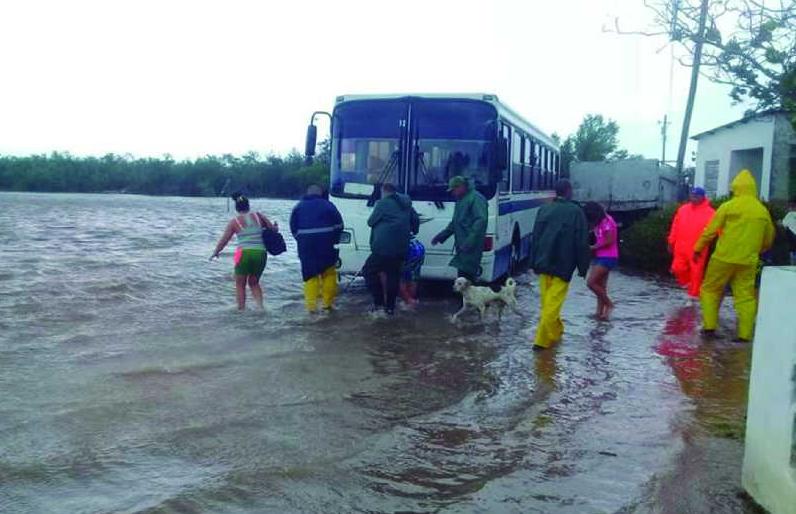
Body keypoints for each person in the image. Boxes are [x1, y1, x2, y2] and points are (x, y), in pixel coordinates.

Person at [694, 170, 776, 342]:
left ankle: (709, 328)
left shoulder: (728, 206)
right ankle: (744, 335)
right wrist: (758, 250)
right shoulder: (762, 211)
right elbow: (769, 238)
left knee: (710, 289)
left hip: (723, 258)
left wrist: (698, 248)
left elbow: (710, 231)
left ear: (736, 188)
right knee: (745, 296)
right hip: (748, 260)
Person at [529, 179, 590, 350]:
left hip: (543, 263)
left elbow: (535, 237)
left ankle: (557, 332)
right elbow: (581, 242)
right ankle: (540, 342)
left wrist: (532, 261)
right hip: (563, 266)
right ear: (569, 191)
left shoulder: (544, 209)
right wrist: (583, 267)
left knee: (548, 302)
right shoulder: (576, 212)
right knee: (552, 304)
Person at [211, 193, 278, 310]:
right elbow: (273, 230)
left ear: (236, 208)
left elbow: (224, 240)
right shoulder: (259, 216)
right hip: (260, 253)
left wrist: (216, 252)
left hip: (242, 254)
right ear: (248, 206)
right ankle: (260, 308)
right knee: (254, 283)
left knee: (240, 284)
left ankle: (241, 310)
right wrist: (276, 226)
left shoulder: (234, 222)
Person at [363, 183, 419, 316]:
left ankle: (379, 304)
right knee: (393, 275)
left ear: (384, 191)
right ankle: (390, 308)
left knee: (368, 271)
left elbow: (370, 222)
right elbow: (415, 221)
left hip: (383, 248)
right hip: (401, 247)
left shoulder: (383, 203)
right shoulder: (407, 204)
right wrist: (412, 231)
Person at [290, 184, 344, 314]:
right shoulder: (328, 205)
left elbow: (293, 228)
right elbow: (340, 225)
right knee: (329, 273)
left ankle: (311, 308)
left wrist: (301, 240)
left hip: (306, 245)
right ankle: (327, 305)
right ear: (321, 193)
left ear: (307, 193)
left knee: (310, 276)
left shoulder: (298, 206)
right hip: (326, 244)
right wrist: (334, 239)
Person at [431, 176, 488, 282]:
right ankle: (464, 298)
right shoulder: (461, 200)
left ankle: (468, 298)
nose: (452, 193)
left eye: (453, 190)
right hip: (463, 245)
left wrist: (469, 242)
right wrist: (441, 236)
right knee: (462, 277)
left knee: (468, 278)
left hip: (471, 246)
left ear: (461, 187)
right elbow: (455, 223)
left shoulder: (476, 199)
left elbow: (481, 221)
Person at [667, 187, 716, 299]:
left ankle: (693, 297)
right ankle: (688, 285)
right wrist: (671, 241)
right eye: (692, 195)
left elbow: (717, 229)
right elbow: (675, 226)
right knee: (677, 268)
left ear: (702, 197)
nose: (693, 198)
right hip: (681, 246)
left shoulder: (711, 213)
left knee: (696, 273)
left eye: (696, 196)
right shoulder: (683, 209)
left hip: (698, 249)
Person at [584, 202, 619, 320]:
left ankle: (609, 304)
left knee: (591, 283)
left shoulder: (608, 222)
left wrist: (593, 247)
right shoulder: (600, 222)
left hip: (608, 257)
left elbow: (610, 240)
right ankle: (600, 313)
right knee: (600, 286)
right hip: (601, 256)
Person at [399, 238, 425, 307]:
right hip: (419, 247)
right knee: (413, 277)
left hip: (407, 248)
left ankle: (409, 301)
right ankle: (412, 300)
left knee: (402, 280)